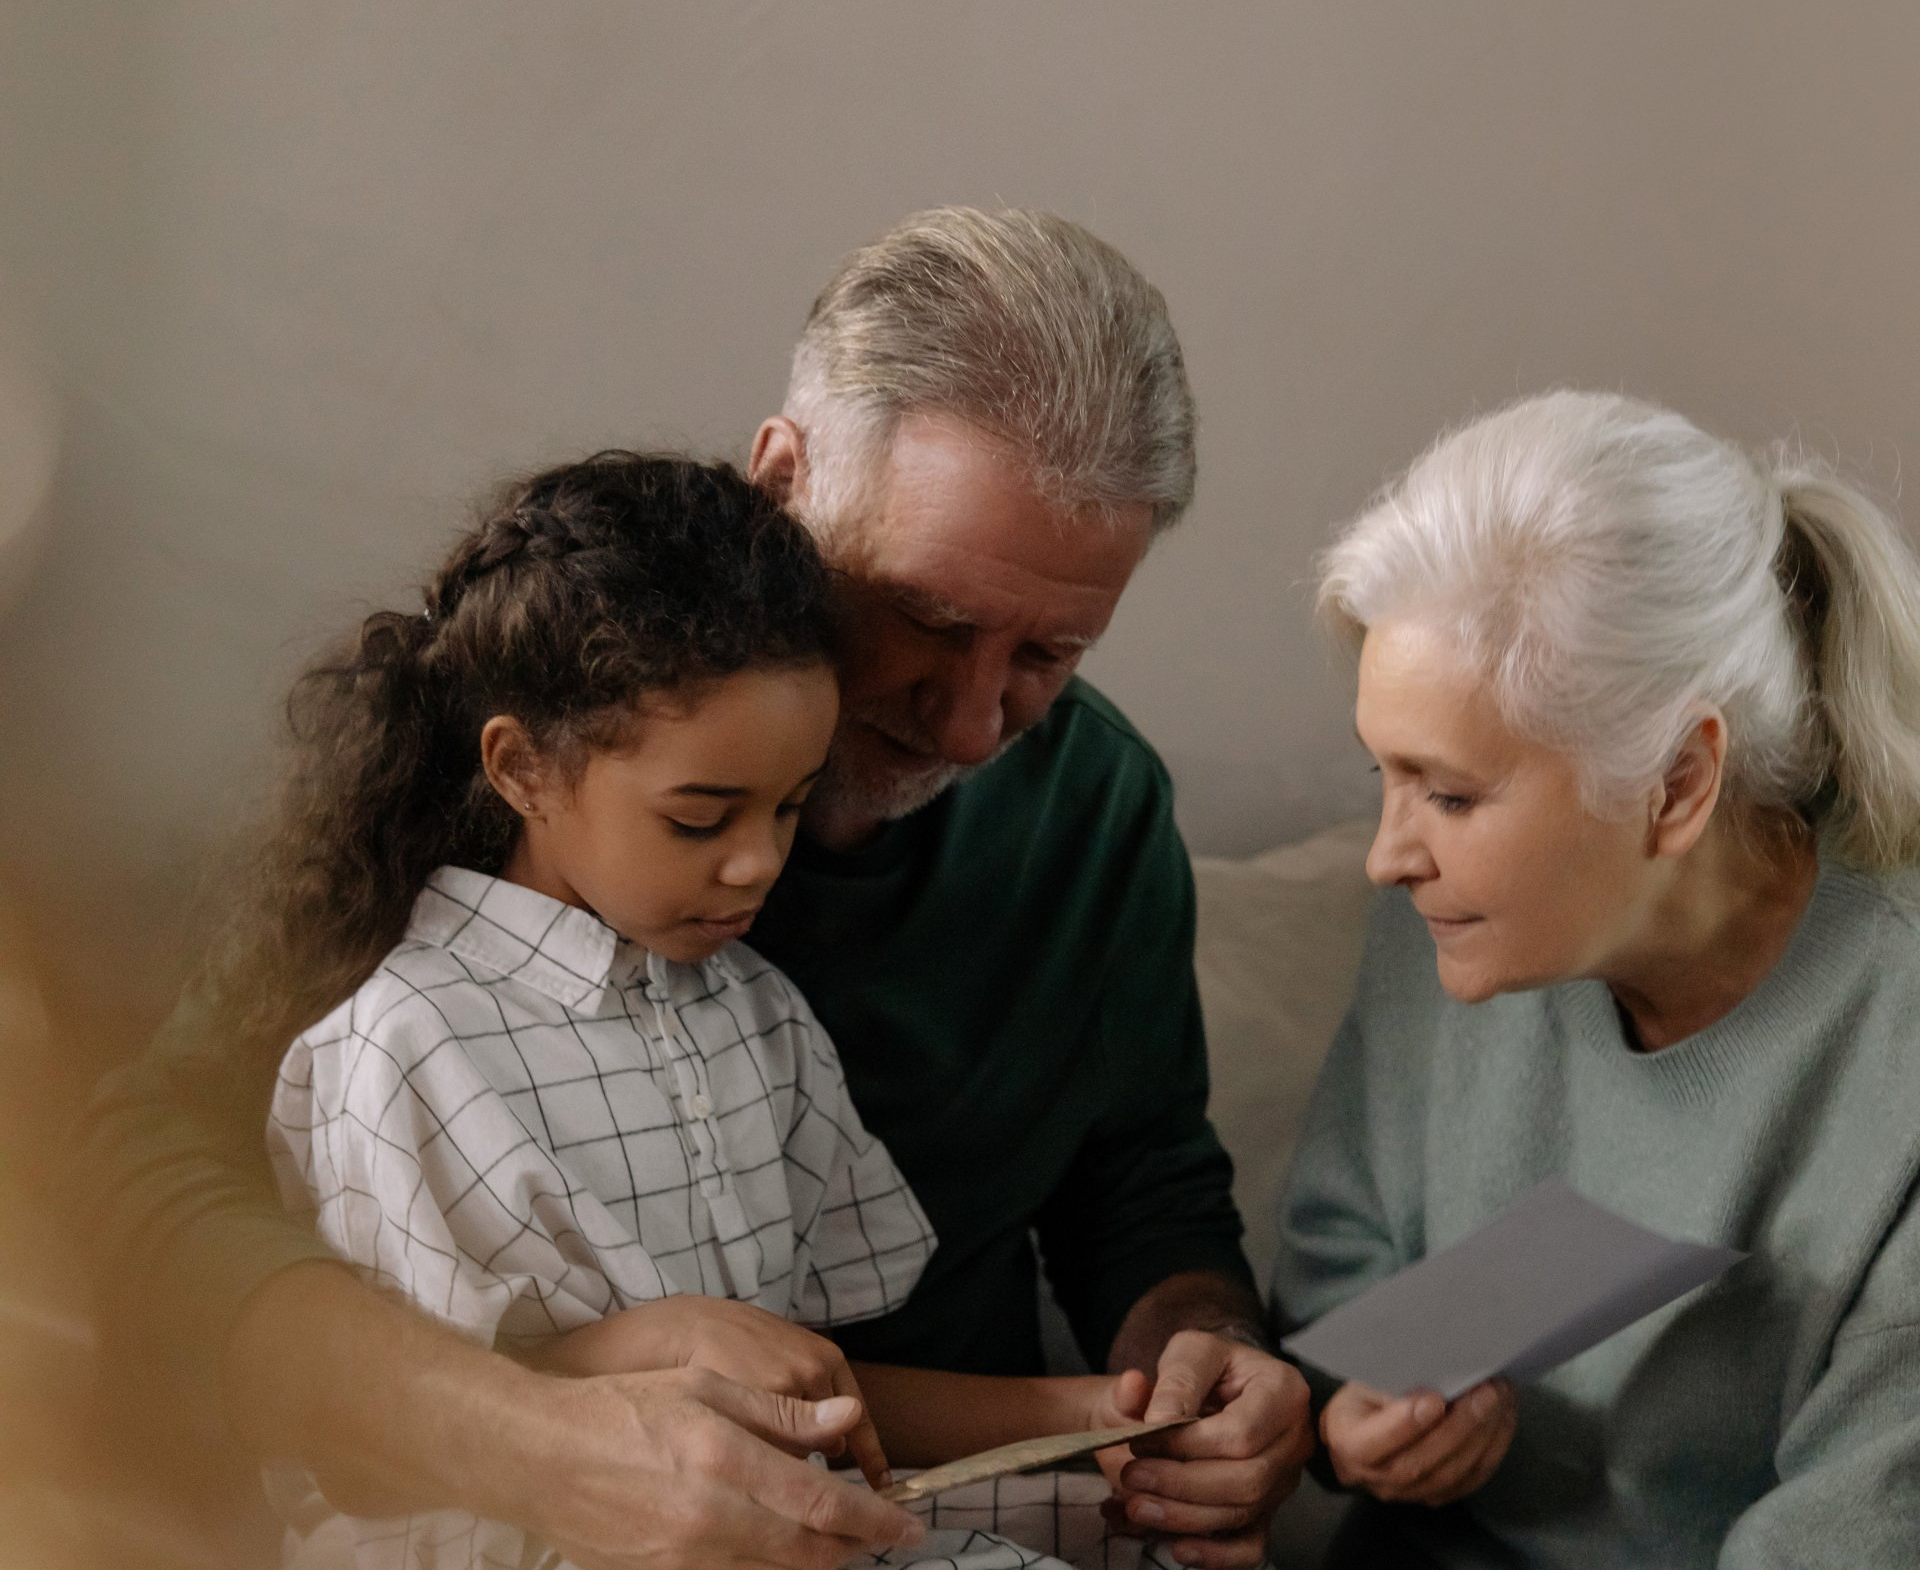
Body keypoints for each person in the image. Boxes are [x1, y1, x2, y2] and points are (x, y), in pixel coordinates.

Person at [75, 209, 1311, 1570]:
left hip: (947, 1498)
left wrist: (1207, 1370)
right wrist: (538, 1443)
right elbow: (146, 1174)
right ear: (783, 478)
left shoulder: (1094, 806)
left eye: (1050, 651)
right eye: (931, 618)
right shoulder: (516, 780)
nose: (972, 722)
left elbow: (1141, 1189)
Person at [253, 450, 1196, 1570]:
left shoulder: (757, 1011)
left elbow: (813, 1401)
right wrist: (628, 1352)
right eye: (702, 819)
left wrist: (1119, 1413)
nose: (757, 865)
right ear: (522, 768)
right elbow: (375, 1440)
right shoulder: (403, 1044)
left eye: (792, 808)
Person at [1272, 389, 1920, 1567]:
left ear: (1677, 781)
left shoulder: (1897, 1052)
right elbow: (1331, 1274)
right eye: (1385, 775)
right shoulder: (1443, 929)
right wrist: (1350, 1409)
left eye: (1451, 794)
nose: (1387, 855)